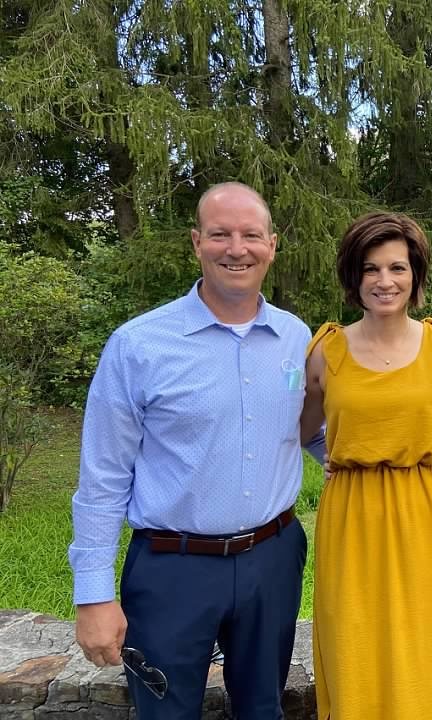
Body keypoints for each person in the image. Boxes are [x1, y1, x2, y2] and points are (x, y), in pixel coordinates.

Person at [69, 182, 311, 719]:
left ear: (272, 245)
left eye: (251, 234)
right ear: (196, 242)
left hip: (273, 560)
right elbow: (103, 479)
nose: (236, 248)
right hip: (170, 569)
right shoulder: (138, 346)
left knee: (263, 709)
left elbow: (313, 431)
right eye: (220, 234)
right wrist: (93, 595)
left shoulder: (297, 338)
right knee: (165, 713)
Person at [299, 211, 432, 720]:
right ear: (353, 276)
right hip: (351, 514)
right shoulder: (325, 351)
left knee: (430, 640)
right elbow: (301, 428)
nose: (385, 281)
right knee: (356, 639)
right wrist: (333, 458)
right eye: (371, 268)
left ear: (416, 275)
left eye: (397, 268)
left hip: (423, 510)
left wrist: (423, 465)